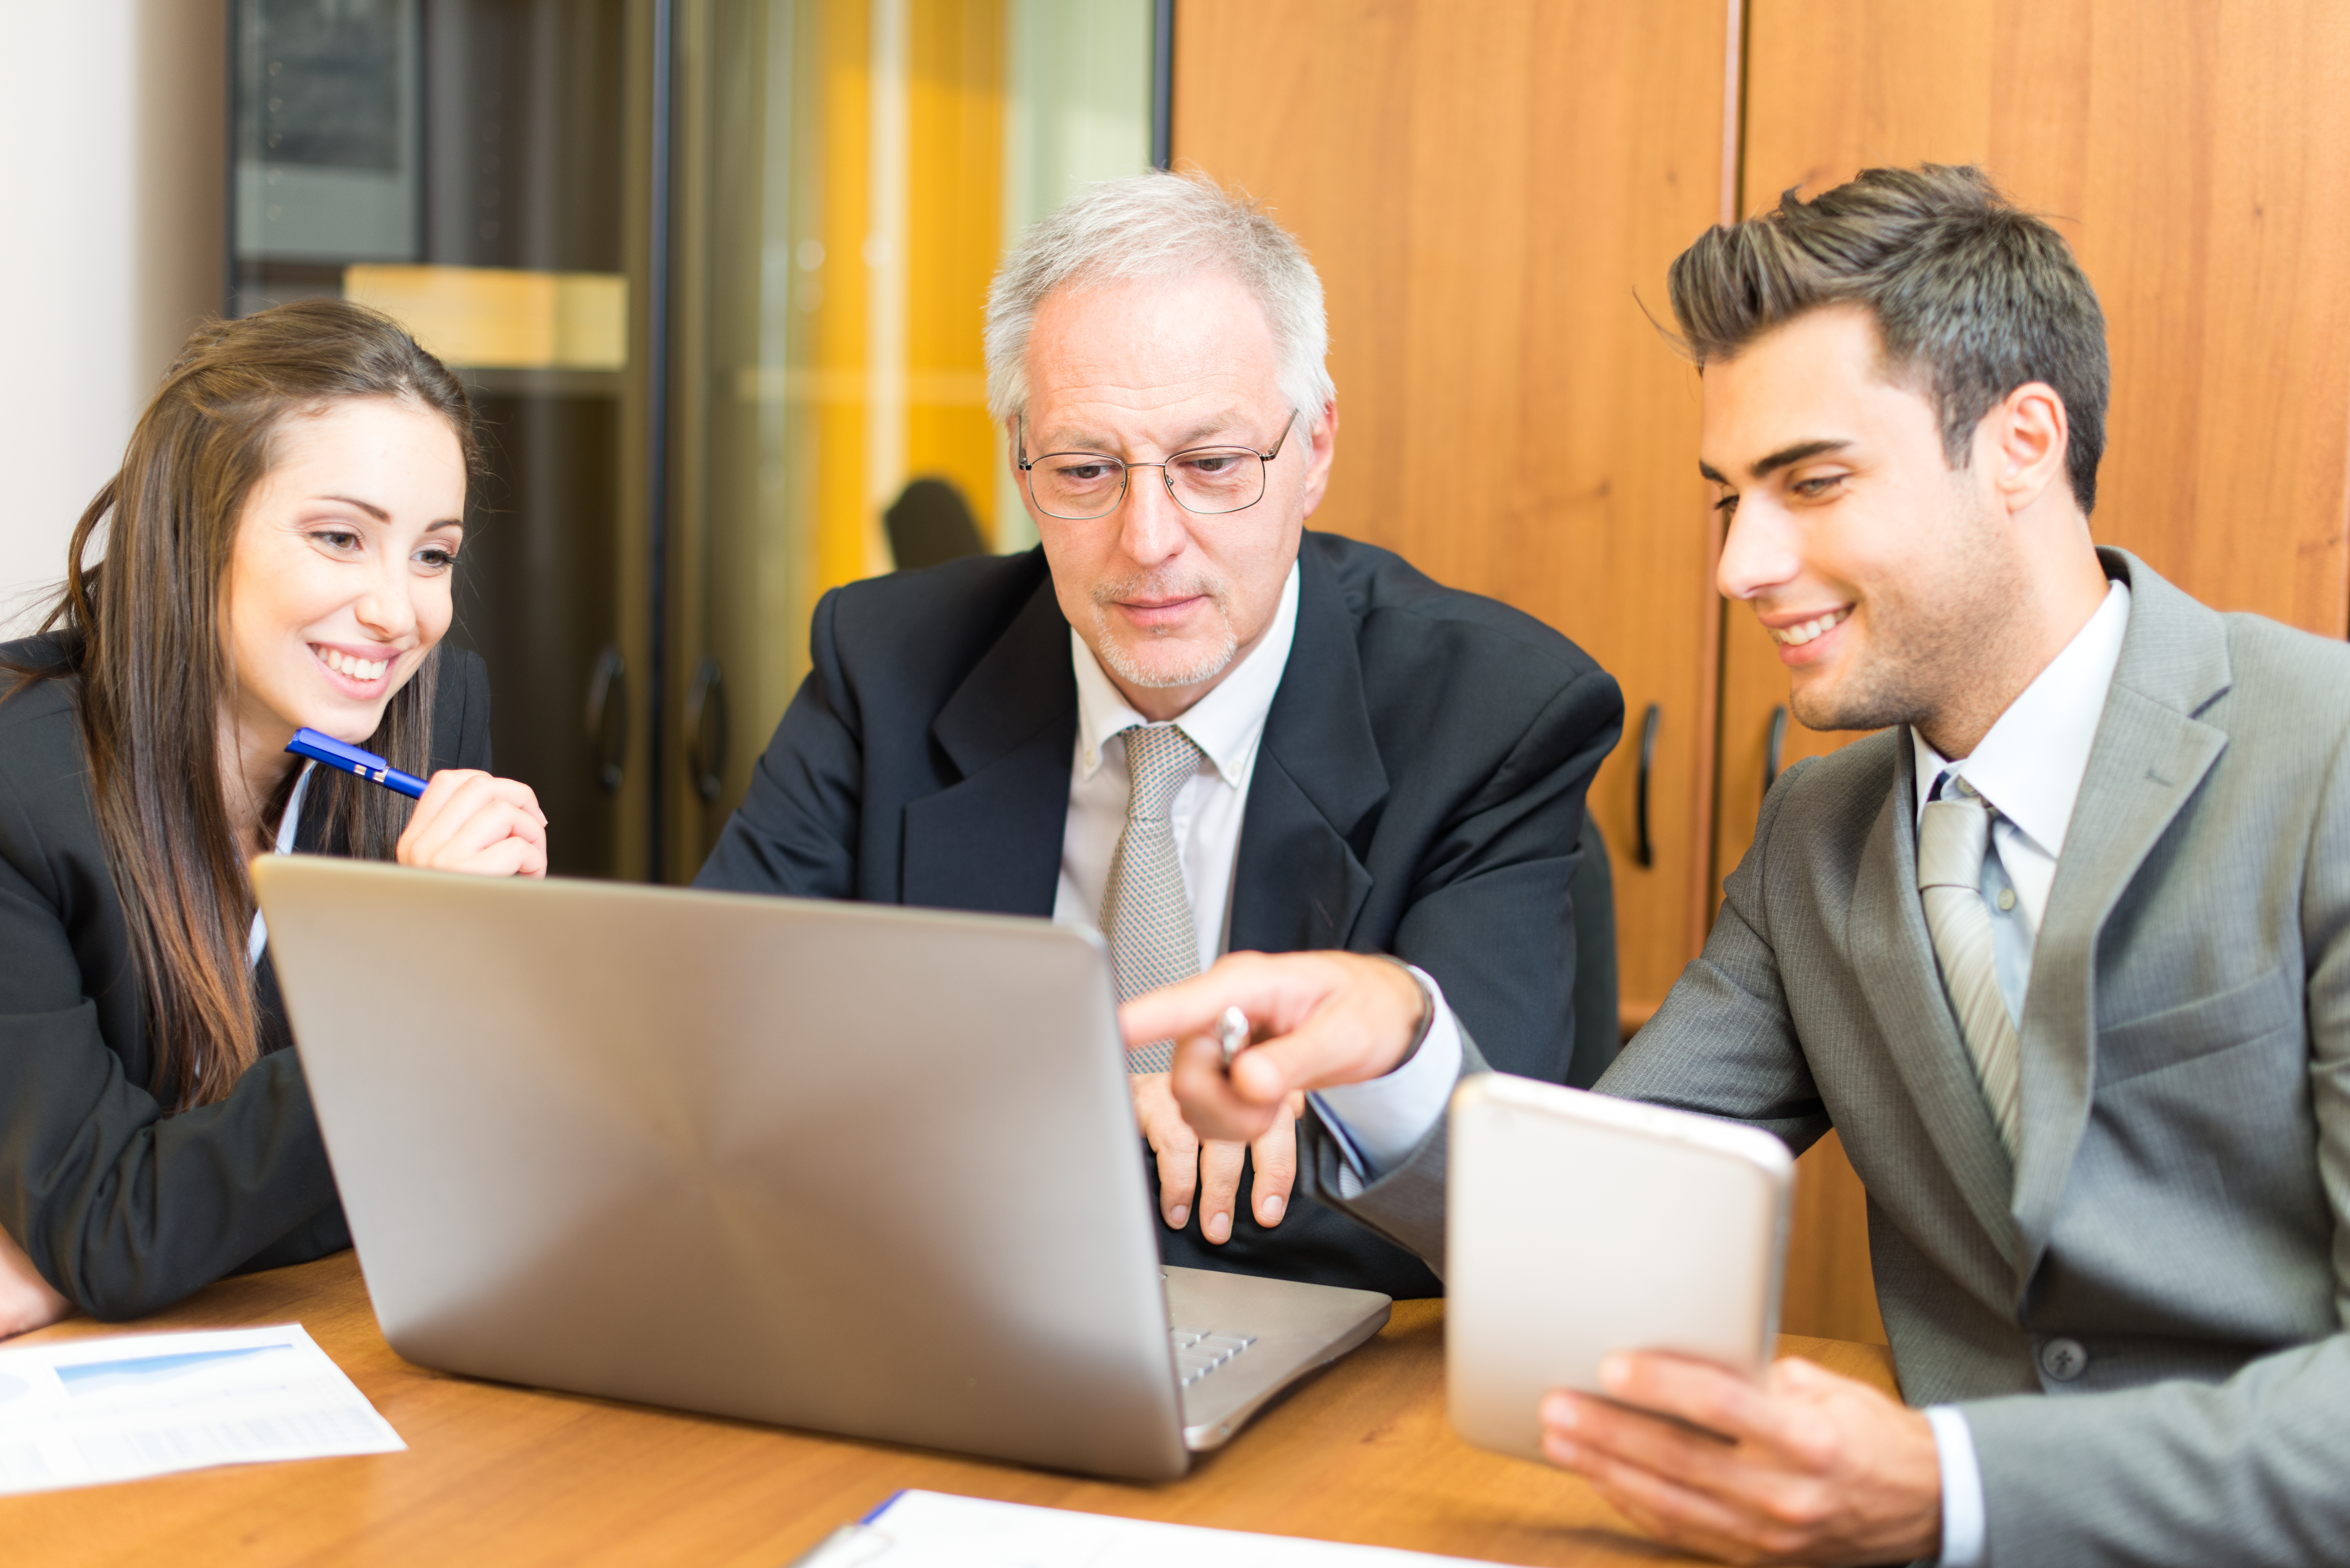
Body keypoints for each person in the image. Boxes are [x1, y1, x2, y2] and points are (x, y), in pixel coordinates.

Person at [1134, 165, 2350, 1567]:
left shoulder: (2320, 758)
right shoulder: (1814, 839)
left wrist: (1952, 1484)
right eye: (1727, 497)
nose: (1741, 563)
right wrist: (1395, 1046)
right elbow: (1581, 1238)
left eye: (1811, 481)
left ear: (2022, 443)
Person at [695, 171, 1623, 1297]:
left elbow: (1467, 1202)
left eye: (1213, 466)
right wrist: (1091, 1108)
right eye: (1087, 471)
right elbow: (720, 1070)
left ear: (1314, 449)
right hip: (941, 1330)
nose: (1148, 541)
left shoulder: (1493, 715)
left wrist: (964, 1133)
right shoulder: (887, 663)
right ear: (1021, 462)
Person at [0, 300, 549, 1336]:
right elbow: (119, 1232)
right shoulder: (19, 788)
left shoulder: (435, 719)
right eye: (340, 538)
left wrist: (86, 1251)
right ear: (194, 533)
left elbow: (460, 1162)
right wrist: (411, 966)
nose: (400, 613)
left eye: (433, 555)